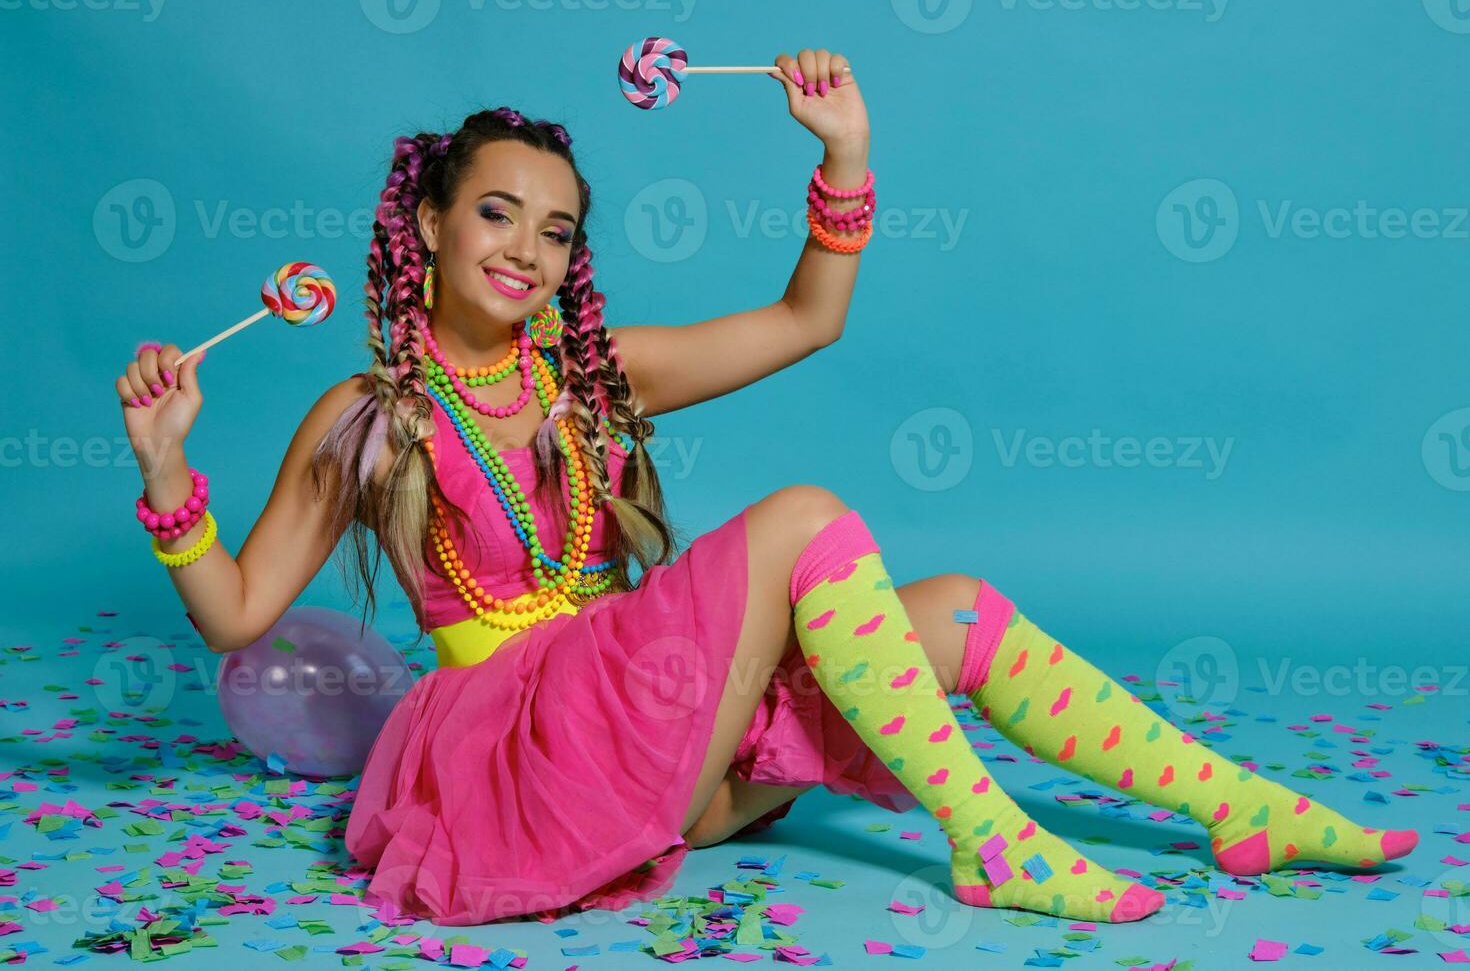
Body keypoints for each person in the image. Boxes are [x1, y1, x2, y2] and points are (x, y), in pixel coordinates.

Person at [115, 49, 1417, 929]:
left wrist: (843, 151)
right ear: (432, 225)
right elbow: (237, 618)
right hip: (533, 761)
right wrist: (170, 475)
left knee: (954, 607)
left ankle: (1234, 809)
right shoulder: (368, 417)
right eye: (498, 216)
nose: (527, 251)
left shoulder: (594, 374)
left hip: (674, 739)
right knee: (801, 516)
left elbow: (807, 319)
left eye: (557, 231)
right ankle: (994, 840)